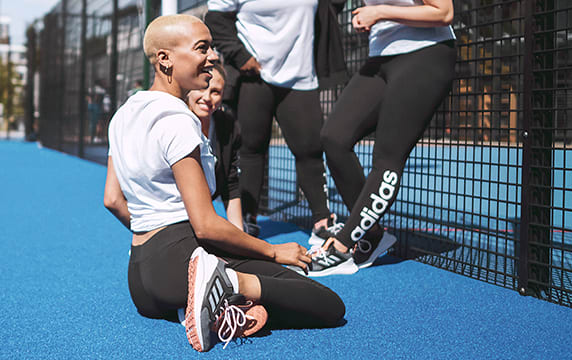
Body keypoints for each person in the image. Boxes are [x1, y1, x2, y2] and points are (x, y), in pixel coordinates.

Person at [103, 14, 344, 352]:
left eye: (212, 48)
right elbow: (205, 226)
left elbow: (112, 199)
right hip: (183, 260)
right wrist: (275, 251)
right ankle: (225, 285)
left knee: (265, 290)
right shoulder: (178, 120)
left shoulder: (123, 115)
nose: (212, 56)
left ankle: (229, 311)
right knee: (327, 303)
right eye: (202, 48)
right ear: (165, 59)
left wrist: (157, 240)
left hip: (141, 277)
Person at [307, 0, 457, 276]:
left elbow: (443, 12)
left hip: (426, 53)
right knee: (334, 138)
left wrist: (379, 12)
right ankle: (371, 232)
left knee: (387, 156)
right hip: (380, 57)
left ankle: (342, 246)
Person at [205, 0, 348, 242]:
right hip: (254, 75)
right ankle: (247, 219)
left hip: (301, 77)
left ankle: (322, 220)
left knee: (310, 149)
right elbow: (216, 19)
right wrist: (240, 56)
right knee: (251, 148)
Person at [186, 62, 246, 232]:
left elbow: (231, 185)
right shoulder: (176, 123)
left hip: (203, 219)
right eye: (201, 88)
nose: (207, 97)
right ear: (189, 89)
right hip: (173, 218)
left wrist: (240, 236)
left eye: (215, 92)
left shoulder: (228, 126)